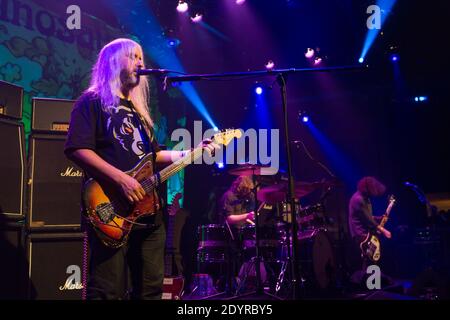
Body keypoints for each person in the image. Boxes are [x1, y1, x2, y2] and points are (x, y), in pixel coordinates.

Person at [64, 38, 217, 300]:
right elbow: (77, 148)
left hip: (150, 214)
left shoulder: (139, 114)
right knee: (107, 290)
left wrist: (192, 152)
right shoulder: (91, 101)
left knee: (151, 291)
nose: (140, 63)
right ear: (113, 62)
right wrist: (121, 179)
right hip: (111, 209)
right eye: (133, 56)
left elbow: (154, 156)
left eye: (141, 58)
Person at [348, 176, 392, 286]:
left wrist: (378, 218)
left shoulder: (364, 198)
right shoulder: (359, 199)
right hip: (361, 234)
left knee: (370, 259)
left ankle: (372, 285)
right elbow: (369, 221)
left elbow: (367, 216)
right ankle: (371, 285)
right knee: (371, 259)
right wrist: (384, 231)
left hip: (365, 233)